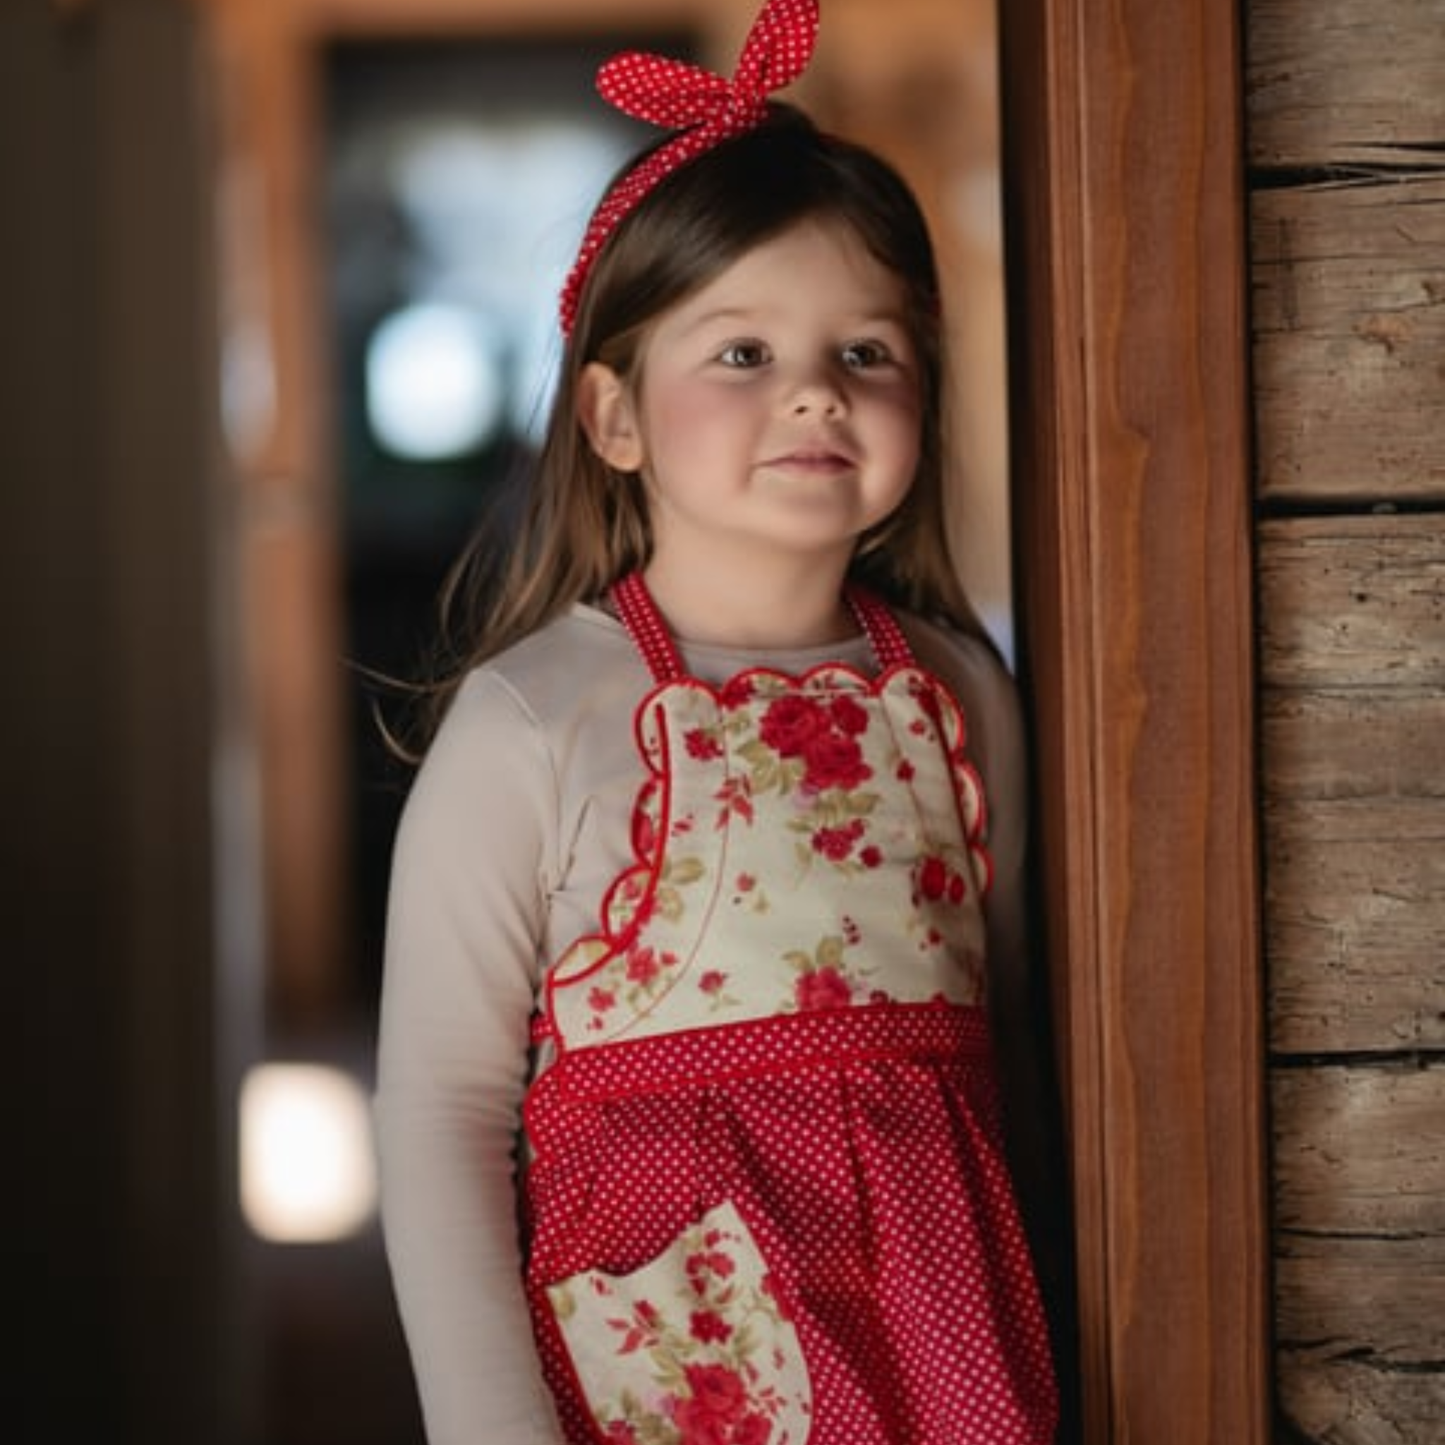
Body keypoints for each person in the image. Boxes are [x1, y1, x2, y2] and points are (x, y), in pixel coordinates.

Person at [374, 1, 1063, 1441]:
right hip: (669, 1377)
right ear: (614, 417)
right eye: (741, 353)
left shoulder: (958, 697)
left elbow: (1027, 1069)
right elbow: (439, 1120)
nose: (816, 387)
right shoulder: (532, 724)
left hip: (945, 1362)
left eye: (866, 350)